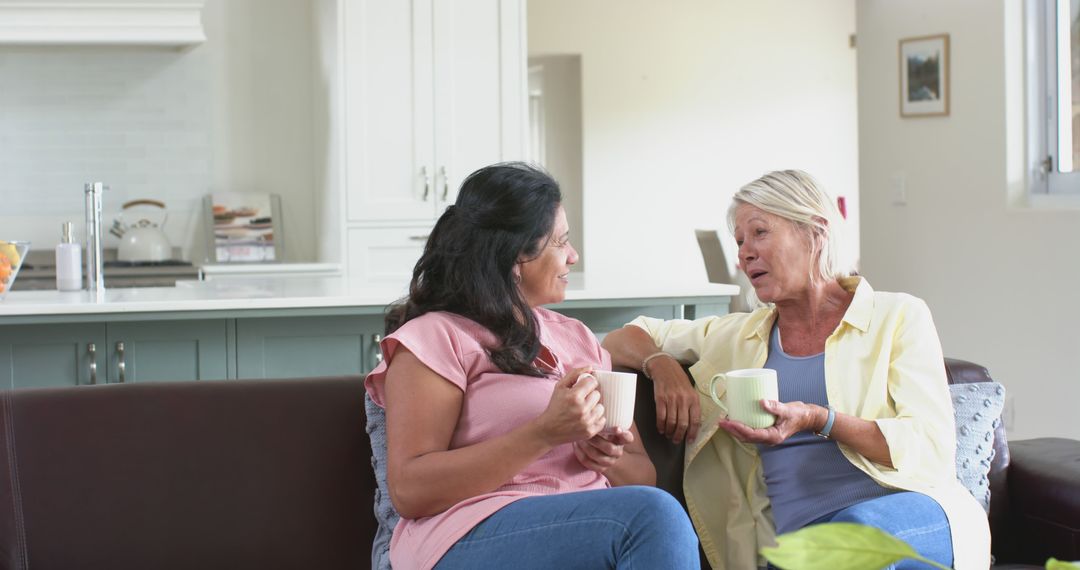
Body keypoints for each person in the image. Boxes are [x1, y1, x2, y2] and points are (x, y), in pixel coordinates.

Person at [602, 170, 991, 570]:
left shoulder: (898, 316)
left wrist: (819, 419)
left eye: (760, 233)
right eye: (740, 241)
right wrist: (661, 364)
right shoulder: (736, 336)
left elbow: (929, 446)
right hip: (804, 550)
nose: (745, 253)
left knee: (852, 537)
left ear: (814, 232)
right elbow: (623, 336)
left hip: (916, 518)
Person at [364, 162, 700, 570]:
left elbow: (642, 476)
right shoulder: (436, 337)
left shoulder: (577, 338)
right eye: (561, 242)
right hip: (468, 535)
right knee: (654, 515)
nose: (573, 256)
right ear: (515, 257)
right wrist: (545, 433)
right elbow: (411, 490)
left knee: (654, 510)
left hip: (585, 529)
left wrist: (603, 458)